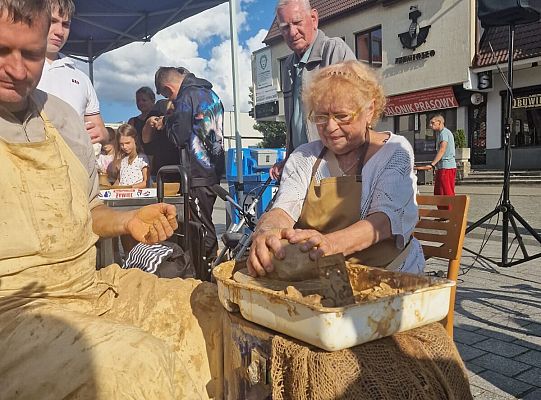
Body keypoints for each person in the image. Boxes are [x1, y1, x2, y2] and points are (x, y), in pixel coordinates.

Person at [0, 2, 223, 398]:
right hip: (15, 312)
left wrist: (127, 221)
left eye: (31, 54)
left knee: (207, 309)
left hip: (89, 288)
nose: (17, 70)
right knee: (137, 366)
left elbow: (88, 212)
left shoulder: (64, 118)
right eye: (2, 51)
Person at [248, 60, 425, 277]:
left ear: (369, 110)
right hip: (327, 275)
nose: (330, 128)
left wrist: (330, 244)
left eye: (342, 116)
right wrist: (268, 231)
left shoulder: (394, 151)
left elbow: (385, 219)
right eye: (321, 117)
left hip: (390, 274)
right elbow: (284, 207)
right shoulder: (304, 156)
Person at [269, 0, 355, 179]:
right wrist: (289, 159)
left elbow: (354, 115)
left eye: (297, 23)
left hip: (334, 170)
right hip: (303, 167)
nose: (292, 32)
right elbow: (294, 123)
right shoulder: (288, 65)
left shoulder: (334, 51)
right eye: (285, 27)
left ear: (314, 18)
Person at [154, 66, 225, 275]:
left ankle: (206, 275)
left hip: (196, 173)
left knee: (201, 228)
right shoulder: (210, 93)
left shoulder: (185, 97)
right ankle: (209, 268)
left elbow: (179, 136)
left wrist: (166, 122)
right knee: (205, 221)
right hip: (213, 170)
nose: (171, 99)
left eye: (167, 95)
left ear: (168, 88)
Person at [36, 0, 107, 145]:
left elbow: (101, 131)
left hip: (75, 162)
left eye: (65, 24)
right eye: (52, 21)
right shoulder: (16, 69)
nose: (60, 32)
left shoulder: (80, 78)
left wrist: (101, 133)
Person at [428, 114, 457, 198]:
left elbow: (442, 149)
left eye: (433, 123)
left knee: (446, 192)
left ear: (439, 122)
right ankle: (442, 210)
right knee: (439, 192)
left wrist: (432, 164)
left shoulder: (444, 133)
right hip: (442, 167)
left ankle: (450, 210)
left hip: (447, 166)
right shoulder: (440, 133)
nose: (430, 125)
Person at [114, 123, 149, 189]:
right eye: (121, 144)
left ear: (135, 139)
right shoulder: (122, 159)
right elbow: (119, 180)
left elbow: (146, 182)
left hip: (135, 195)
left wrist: (130, 187)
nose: (124, 147)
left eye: (127, 143)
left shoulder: (141, 158)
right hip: (121, 195)